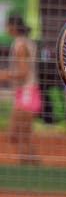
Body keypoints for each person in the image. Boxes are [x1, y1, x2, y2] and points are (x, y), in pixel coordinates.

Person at [0, 13, 41, 164]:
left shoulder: (20, 45)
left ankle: (29, 165)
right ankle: (31, 165)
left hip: (27, 92)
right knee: (20, 135)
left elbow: (24, 72)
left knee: (17, 135)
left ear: (12, 26)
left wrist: (4, 75)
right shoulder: (25, 42)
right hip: (25, 92)